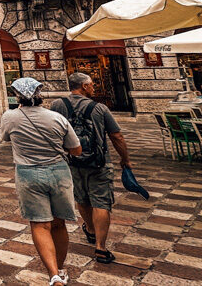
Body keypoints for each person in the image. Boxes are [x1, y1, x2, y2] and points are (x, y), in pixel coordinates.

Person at [0, 78, 82, 286]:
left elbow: (5, 138)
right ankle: (60, 269)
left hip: (28, 174)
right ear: (40, 94)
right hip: (58, 172)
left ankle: (53, 274)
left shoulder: (10, 117)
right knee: (58, 223)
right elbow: (76, 149)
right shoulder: (56, 118)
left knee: (39, 224)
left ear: (18, 96)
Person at [51, 72, 132, 264]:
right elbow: (116, 136)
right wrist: (125, 159)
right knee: (101, 202)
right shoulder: (99, 108)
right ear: (84, 86)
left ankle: (90, 229)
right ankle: (101, 248)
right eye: (92, 84)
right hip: (98, 162)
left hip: (72, 161)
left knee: (82, 198)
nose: (94, 87)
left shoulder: (57, 105)